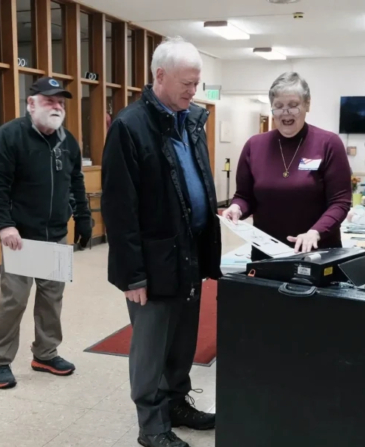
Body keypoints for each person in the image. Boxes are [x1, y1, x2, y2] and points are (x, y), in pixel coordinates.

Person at [101, 36, 222, 447]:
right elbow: (120, 211)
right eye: (188, 82)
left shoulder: (189, 121)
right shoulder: (129, 127)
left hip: (189, 255)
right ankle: (152, 426)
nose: (194, 90)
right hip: (151, 264)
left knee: (183, 339)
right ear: (160, 76)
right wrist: (133, 275)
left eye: (197, 82)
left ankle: (176, 403)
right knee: (152, 347)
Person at [0, 77, 92, 389]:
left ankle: (45, 353)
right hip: (21, 237)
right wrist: (4, 225)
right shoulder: (10, 137)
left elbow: (76, 182)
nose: (56, 106)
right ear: (31, 104)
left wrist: (83, 218)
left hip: (56, 233)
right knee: (14, 300)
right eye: (49, 101)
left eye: (60, 102)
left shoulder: (67, 141)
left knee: (51, 299)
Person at [222, 72, 352, 255]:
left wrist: (315, 232)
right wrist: (236, 208)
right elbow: (244, 196)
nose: (286, 112)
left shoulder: (328, 143)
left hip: (317, 252)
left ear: (307, 104)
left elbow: (340, 202)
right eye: (278, 106)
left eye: (293, 105)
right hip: (267, 253)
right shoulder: (254, 145)